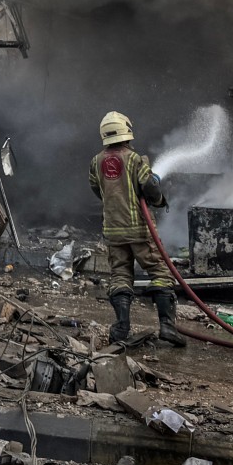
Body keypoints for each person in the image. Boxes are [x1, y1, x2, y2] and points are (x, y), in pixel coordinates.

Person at [89, 111, 186, 347]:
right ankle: (167, 327)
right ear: (127, 131)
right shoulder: (135, 159)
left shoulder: (97, 161)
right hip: (139, 230)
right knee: (160, 272)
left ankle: (121, 327)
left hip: (113, 231)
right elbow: (150, 186)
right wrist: (160, 200)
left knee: (120, 274)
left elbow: (96, 188)